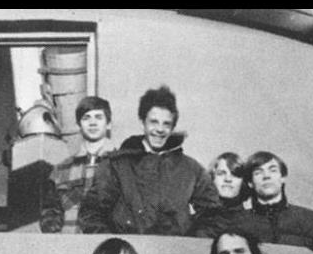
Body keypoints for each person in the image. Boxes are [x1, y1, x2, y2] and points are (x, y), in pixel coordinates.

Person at [77, 85, 221, 236]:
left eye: (166, 124)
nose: (160, 129)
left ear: (172, 128)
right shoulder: (117, 165)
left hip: (173, 248)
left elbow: (213, 214)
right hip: (127, 248)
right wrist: (114, 244)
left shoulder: (190, 169)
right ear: (143, 123)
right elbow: (91, 212)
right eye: (154, 122)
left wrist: (190, 242)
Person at [214, 150, 313, 254]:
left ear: (283, 177)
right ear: (250, 183)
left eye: (272, 170)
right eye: (258, 172)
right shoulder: (237, 224)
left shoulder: (309, 220)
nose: (266, 176)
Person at [41, 96, 119, 233]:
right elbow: (50, 213)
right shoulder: (60, 170)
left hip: (108, 244)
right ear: (79, 125)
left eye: (98, 117)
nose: (92, 123)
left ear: (109, 124)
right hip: (69, 243)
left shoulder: (122, 166)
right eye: (86, 118)